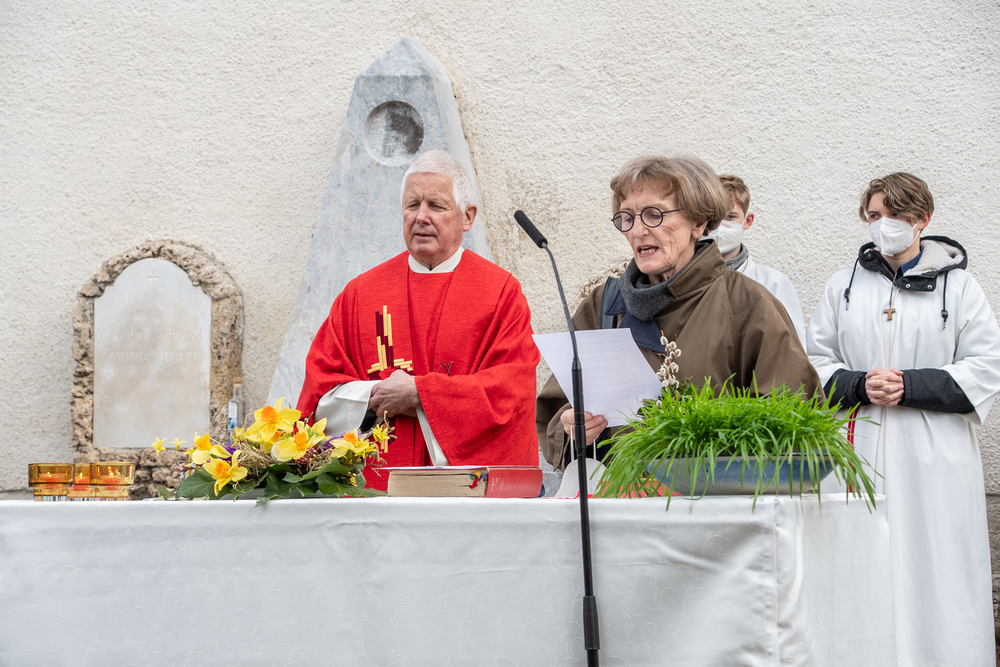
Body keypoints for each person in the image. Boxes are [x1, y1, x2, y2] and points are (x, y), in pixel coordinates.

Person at [807, 172, 1000, 666]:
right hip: (859, 450)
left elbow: (987, 366)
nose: (883, 224)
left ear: (922, 220)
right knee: (859, 563)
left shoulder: (958, 288)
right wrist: (858, 385)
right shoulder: (843, 286)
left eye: (895, 215)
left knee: (936, 566)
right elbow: (812, 363)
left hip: (933, 457)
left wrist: (909, 385)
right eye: (874, 215)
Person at [537, 155, 821, 468]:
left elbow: (791, 424)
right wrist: (573, 429)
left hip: (713, 495)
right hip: (618, 495)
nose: (638, 230)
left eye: (654, 214)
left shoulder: (748, 304)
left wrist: (700, 440)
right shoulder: (602, 305)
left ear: (698, 223)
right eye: (627, 217)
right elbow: (556, 410)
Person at [297, 150, 540, 490]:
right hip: (373, 489)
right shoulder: (360, 295)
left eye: (436, 206)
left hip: (462, 493)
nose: (421, 217)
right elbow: (318, 392)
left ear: (467, 217)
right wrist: (374, 395)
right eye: (412, 205)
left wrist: (421, 395)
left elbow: (509, 393)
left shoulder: (500, 294)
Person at [708, 174, 806, 345]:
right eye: (713, 217)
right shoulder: (679, 279)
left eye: (730, 217)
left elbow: (793, 349)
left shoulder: (774, 284)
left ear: (748, 221)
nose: (720, 226)